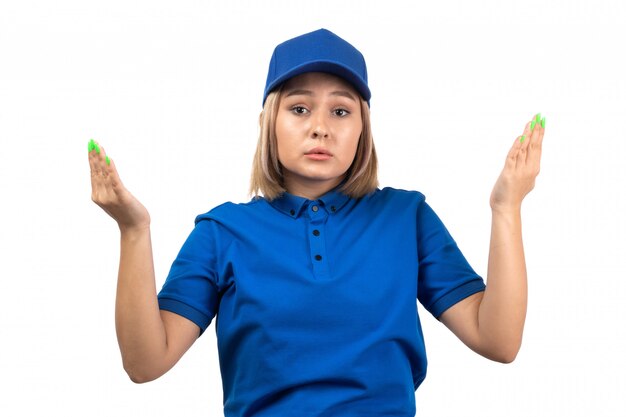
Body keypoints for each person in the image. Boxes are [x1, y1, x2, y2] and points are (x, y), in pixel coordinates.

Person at [88, 28, 545, 417]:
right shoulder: (221, 232)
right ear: (269, 122)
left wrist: (507, 208)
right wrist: (133, 230)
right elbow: (145, 364)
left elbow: (498, 340)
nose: (320, 127)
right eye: (300, 108)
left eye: (341, 111)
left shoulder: (407, 218)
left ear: (363, 128)